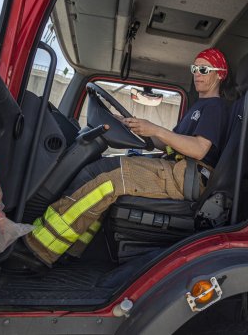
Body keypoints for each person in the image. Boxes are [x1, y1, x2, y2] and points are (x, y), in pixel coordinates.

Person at [22, 48, 230, 267]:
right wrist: (135, 126)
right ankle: (73, 251)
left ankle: (35, 251)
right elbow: (171, 142)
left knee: (106, 176)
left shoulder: (215, 108)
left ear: (219, 74)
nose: (197, 73)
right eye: (194, 68)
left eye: (203, 69)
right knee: (102, 170)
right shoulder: (199, 106)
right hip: (178, 169)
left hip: (188, 176)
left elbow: (198, 149)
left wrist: (157, 130)